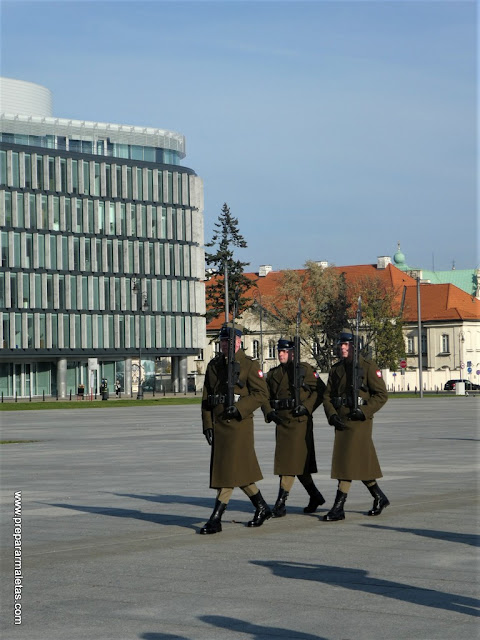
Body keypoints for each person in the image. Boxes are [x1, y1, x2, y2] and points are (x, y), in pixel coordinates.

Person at [200, 322, 271, 535]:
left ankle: (216, 518)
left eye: (229, 341)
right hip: (220, 425)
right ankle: (262, 507)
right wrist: (207, 425)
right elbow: (206, 398)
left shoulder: (249, 365)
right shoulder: (214, 366)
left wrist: (239, 408)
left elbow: (261, 394)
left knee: (228, 472)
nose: (225, 345)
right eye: (222, 341)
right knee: (237, 471)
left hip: (239, 426)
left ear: (239, 342)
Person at [322, 328, 389, 521]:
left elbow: (381, 395)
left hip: (359, 421)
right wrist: (332, 415)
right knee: (356, 461)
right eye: (340, 344)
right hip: (341, 420)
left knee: (347, 462)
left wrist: (365, 411)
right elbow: (327, 396)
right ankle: (379, 497)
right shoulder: (336, 369)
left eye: (346, 344)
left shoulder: (367, 367)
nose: (342, 348)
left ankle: (338, 507)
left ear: (354, 346)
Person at [262, 338, 326, 517]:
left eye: (284, 351)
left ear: (292, 352)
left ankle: (281, 502)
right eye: (279, 351)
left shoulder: (304, 370)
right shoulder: (274, 374)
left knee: (288, 463)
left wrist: (306, 407)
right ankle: (315, 496)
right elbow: (263, 395)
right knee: (298, 463)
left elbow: (321, 391)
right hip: (281, 421)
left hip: (300, 422)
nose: (280, 354)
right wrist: (269, 412)